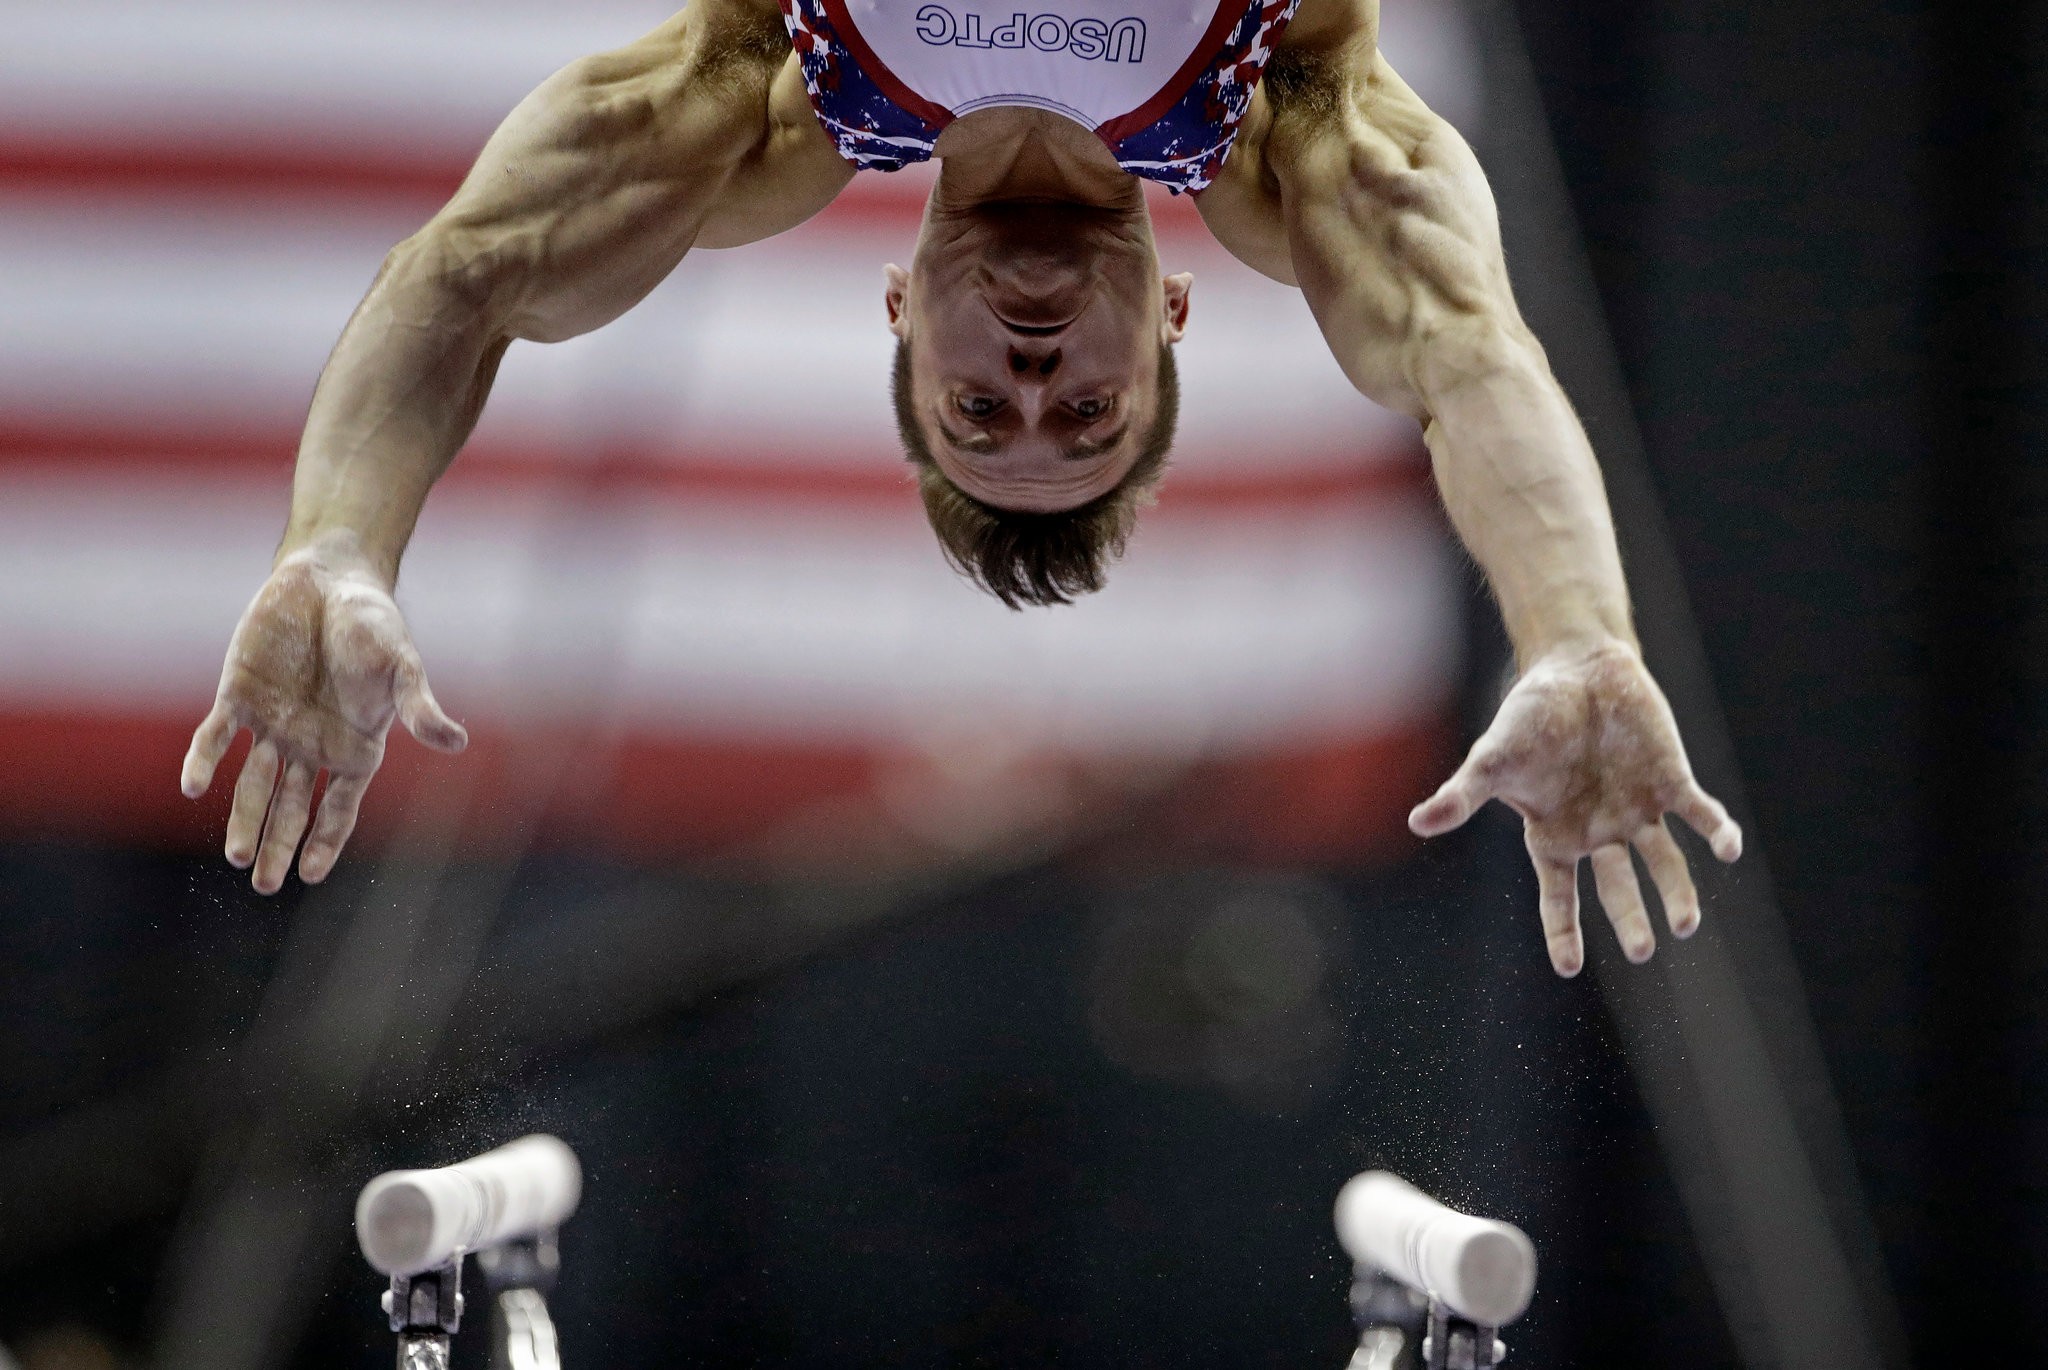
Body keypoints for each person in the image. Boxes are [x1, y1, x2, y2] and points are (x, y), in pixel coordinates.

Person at [179, 0, 1743, 976]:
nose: (1039, 372)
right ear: (1173, 318)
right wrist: (1574, 631)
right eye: (1088, 411)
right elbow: (1466, 354)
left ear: (902, 316)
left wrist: (340, 544)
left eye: (983, 407)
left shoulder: (764, 86)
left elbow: (471, 273)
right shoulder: (1293, 113)